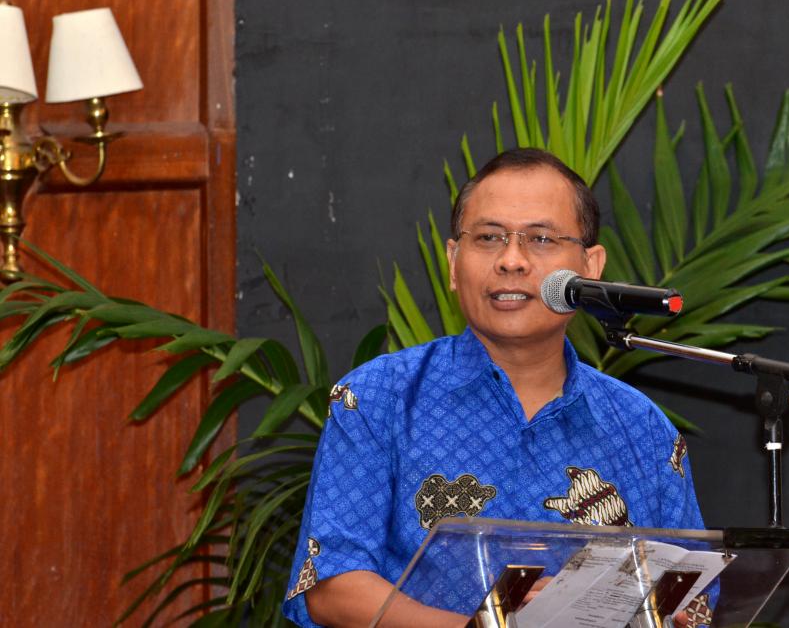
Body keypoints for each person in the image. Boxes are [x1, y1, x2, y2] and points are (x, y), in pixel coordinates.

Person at [283, 148, 711, 627]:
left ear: (590, 267)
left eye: (541, 238)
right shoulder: (377, 399)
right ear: (453, 262)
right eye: (489, 237)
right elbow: (332, 586)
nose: (511, 260)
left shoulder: (642, 428)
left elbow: (695, 600)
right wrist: (486, 626)